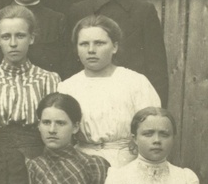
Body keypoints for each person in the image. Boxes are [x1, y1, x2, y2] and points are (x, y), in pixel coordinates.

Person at [69, 0, 168, 104]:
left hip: (130, 96)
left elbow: (156, 65)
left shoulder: (144, 11)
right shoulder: (80, 10)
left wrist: (157, 110)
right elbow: (72, 60)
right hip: (89, 94)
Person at [58, 15, 160, 167]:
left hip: (127, 162)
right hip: (81, 162)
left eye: (99, 43)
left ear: (114, 47)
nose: (91, 50)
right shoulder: (67, 87)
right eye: (84, 44)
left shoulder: (135, 82)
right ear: (76, 49)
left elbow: (154, 127)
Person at [0, 5, 60, 159]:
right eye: (6, 37)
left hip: (39, 157)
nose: (13, 43)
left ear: (31, 38)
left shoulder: (49, 79)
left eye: (20, 36)